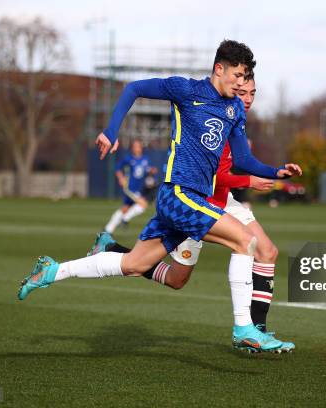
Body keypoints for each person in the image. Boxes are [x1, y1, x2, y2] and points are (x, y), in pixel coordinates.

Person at [17, 40, 302, 353]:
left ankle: (52, 271)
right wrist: (111, 132)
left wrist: (276, 172)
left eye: (245, 76)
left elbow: (245, 160)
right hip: (178, 192)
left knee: (134, 265)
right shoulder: (186, 90)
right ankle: (244, 328)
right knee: (246, 241)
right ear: (219, 68)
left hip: (193, 199)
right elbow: (133, 88)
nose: (240, 82)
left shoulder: (234, 110)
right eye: (237, 74)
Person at [89, 76, 294, 352]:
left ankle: (256, 332)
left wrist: (272, 170)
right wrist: (249, 181)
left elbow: (242, 163)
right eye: (242, 92)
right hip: (197, 202)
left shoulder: (235, 120)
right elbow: (215, 177)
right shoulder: (211, 116)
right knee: (177, 279)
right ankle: (114, 249)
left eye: (252, 93)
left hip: (225, 202)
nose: (246, 98)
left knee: (267, 251)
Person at [104, 139, 155, 234]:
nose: (136, 148)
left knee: (125, 208)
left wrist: (151, 171)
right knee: (143, 204)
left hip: (138, 189)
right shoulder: (128, 158)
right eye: (134, 146)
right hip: (129, 187)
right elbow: (118, 168)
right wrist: (121, 178)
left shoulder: (145, 159)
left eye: (138, 146)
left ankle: (108, 229)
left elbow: (147, 170)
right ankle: (125, 219)